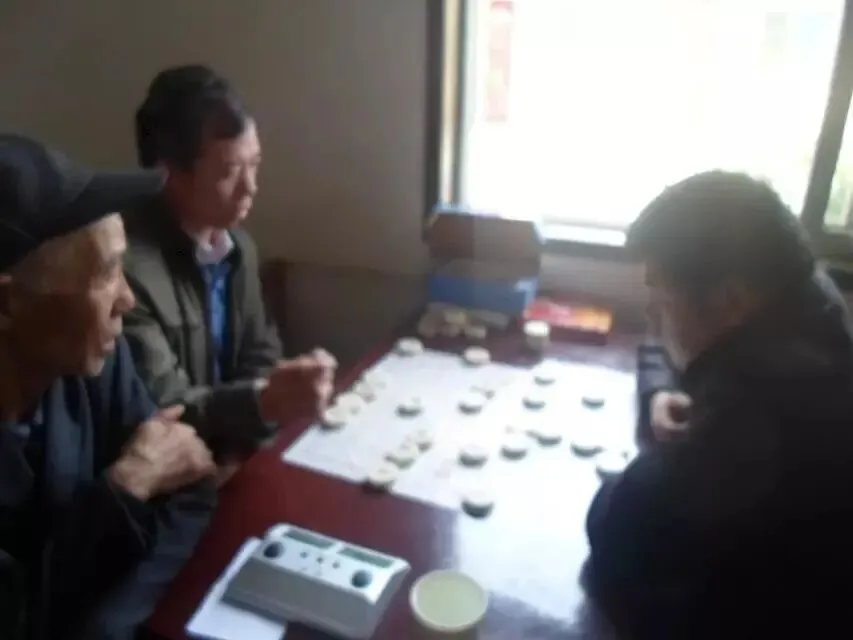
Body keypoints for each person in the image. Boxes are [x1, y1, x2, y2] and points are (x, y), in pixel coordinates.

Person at [584, 171, 853, 639]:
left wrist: (662, 457)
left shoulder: (749, 430)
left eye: (662, 295)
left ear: (730, 299)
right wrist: (659, 392)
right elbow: (673, 347)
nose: (650, 311)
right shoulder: (809, 297)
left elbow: (615, 526)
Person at [0, 134, 218, 640]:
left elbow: (190, 485)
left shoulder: (94, 358)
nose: (127, 299)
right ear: (8, 306)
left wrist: (104, 625)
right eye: (103, 274)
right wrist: (126, 487)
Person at [122, 65, 335, 470]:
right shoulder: (126, 276)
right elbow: (166, 412)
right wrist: (263, 402)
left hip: (235, 458)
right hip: (168, 478)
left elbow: (261, 351)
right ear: (168, 176)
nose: (250, 187)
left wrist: (274, 394)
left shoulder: (238, 247)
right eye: (230, 172)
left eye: (254, 164)